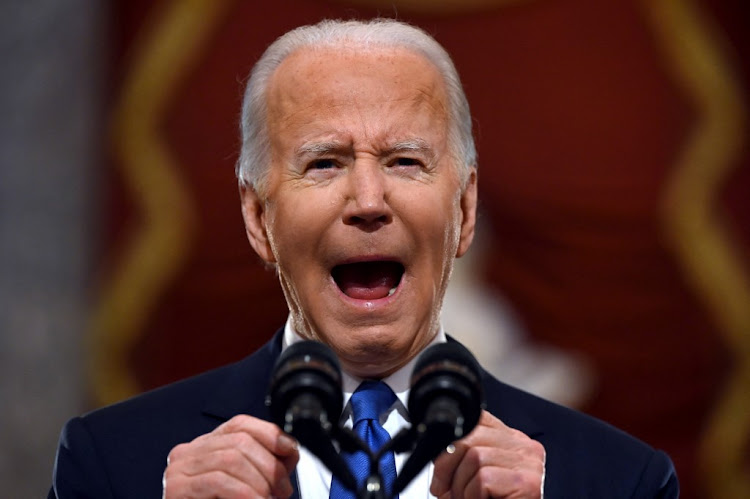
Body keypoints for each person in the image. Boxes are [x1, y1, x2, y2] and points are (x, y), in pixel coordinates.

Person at [49, 18, 679, 498]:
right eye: (324, 163)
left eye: (405, 161)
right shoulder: (114, 461)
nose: (369, 201)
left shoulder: (618, 479)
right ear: (257, 217)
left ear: (464, 209)